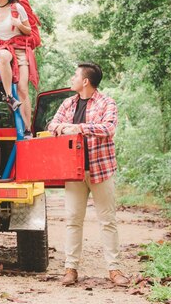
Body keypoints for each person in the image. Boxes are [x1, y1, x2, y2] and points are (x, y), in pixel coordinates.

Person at [48, 62, 130, 287]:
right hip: (73, 171)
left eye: (75, 75)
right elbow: (52, 124)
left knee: (108, 220)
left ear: (85, 81)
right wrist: (64, 127)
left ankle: (114, 270)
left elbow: (109, 128)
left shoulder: (106, 102)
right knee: (73, 220)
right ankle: (70, 269)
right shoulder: (68, 103)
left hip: (101, 169)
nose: (72, 79)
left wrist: (79, 128)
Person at [0, 0, 39, 139]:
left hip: (20, 48)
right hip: (3, 47)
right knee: (2, 55)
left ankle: (28, 129)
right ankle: (9, 96)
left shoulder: (17, 8)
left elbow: (29, 30)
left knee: (23, 89)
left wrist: (18, 23)